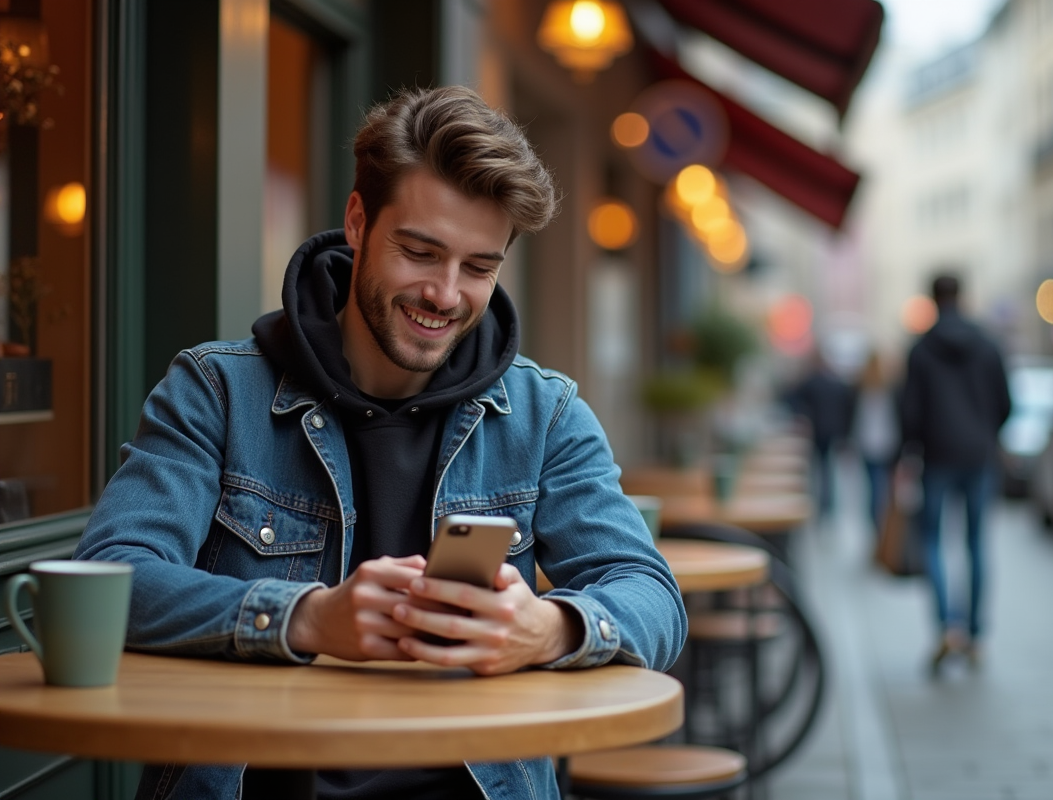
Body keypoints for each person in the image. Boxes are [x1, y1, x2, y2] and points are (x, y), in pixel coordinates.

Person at [74, 86, 686, 800]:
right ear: (358, 222)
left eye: (479, 267)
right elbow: (112, 578)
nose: (446, 294)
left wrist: (548, 629)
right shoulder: (215, 390)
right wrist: (304, 618)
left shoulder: (545, 414)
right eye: (421, 252)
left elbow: (653, 598)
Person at [900, 274, 1010, 672]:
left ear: (932, 298)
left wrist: (908, 451)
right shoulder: (987, 343)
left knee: (932, 542)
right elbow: (1005, 403)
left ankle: (947, 628)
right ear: (962, 296)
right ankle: (977, 635)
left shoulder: (921, 348)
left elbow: (909, 412)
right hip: (979, 455)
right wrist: (986, 434)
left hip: (936, 456)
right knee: (977, 543)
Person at [784, 351, 853, 524]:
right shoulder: (837, 382)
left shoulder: (811, 382)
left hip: (817, 430)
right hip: (832, 431)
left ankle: (819, 504)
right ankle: (828, 506)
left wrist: (803, 416)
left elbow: (790, 398)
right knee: (827, 469)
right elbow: (846, 410)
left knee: (818, 468)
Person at [850, 350, 901, 538]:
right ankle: (881, 527)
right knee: (882, 488)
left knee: (873, 487)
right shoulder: (890, 389)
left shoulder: (861, 389)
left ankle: (877, 526)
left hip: (867, 444)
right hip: (886, 443)